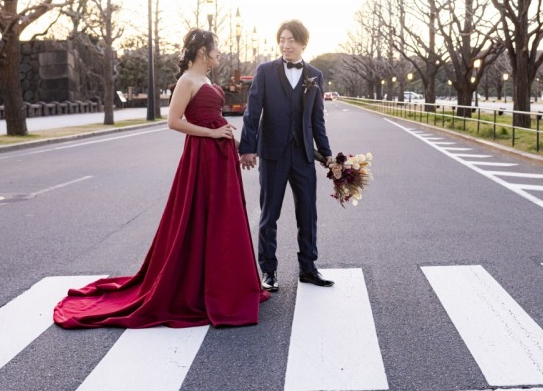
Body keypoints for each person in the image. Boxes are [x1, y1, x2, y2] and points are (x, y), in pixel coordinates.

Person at [54, 28, 269, 329]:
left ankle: (225, 284)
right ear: (203, 51)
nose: (219, 51)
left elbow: (213, 119)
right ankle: (199, 288)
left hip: (220, 156)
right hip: (202, 157)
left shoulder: (207, 79)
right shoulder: (187, 80)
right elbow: (174, 121)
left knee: (223, 217)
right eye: (216, 46)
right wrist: (212, 133)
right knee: (199, 217)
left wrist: (233, 143)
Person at [239, 20, 333, 292]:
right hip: (273, 154)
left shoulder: (315, 75)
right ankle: (268, 271)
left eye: (291, 40)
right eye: (282, 39)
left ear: (303, 43)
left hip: (303, 155)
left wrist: (327, 155)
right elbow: (252, 112)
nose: (286, 45)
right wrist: (248, 147)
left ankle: (308, 267)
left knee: (308, 213)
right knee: (270, 215)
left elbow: (318, 120)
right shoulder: (265, 71)